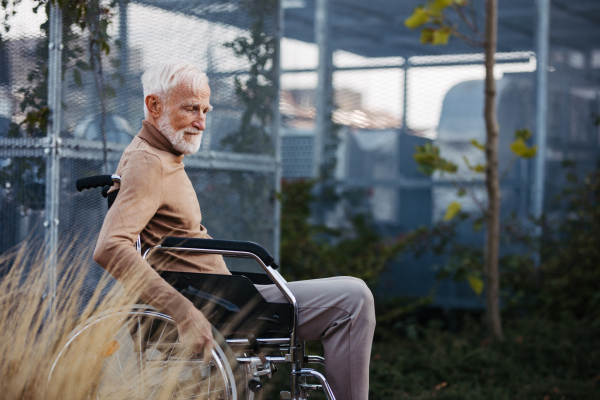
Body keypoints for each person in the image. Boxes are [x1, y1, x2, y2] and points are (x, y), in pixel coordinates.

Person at [93, 61, 375, 400]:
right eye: (190, 109)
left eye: (205, 110)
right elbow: (110, 247)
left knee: (350, 294)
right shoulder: (148, 162)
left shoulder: (162, 157)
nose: (201, 121)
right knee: (354, 299)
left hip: (222, 296)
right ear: (154, 105)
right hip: (213, 304)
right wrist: (184, 313)